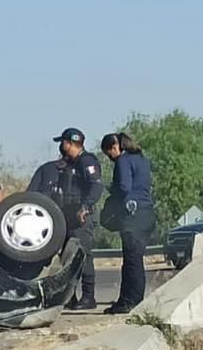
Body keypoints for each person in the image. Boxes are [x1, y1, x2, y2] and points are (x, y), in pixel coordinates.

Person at [27, 128, 103, 310]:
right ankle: (70, 297)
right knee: (69, 259)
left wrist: (86, 207)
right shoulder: (72, 164)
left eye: (63, 142)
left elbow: (96, 186)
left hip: (81, 217)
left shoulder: (87, 161)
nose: (61, 146)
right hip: (68, 216)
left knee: (83, 256)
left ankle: (88, 297)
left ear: (69, 143)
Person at [99, 132, 157, 314]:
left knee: (132, 261)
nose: (110, 158)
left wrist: (110, 189)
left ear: (115, 148)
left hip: (133, 216)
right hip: (146, 214)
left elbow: (124, 187)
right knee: (134, 259)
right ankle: (127, 299)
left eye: (109, 154)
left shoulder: (123, 161)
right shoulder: (142, 160)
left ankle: (131, 301)